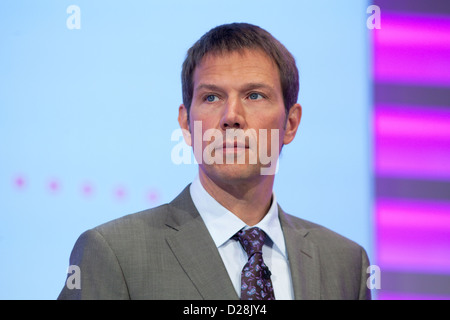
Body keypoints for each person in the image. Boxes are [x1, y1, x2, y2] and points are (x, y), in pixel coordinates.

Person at [58, 23, 371, 300]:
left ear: (290, 123)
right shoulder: (114, 254)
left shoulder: (345, 263)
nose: (231, 117)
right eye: (211, 97)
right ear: (186, 123)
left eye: (254, 95)